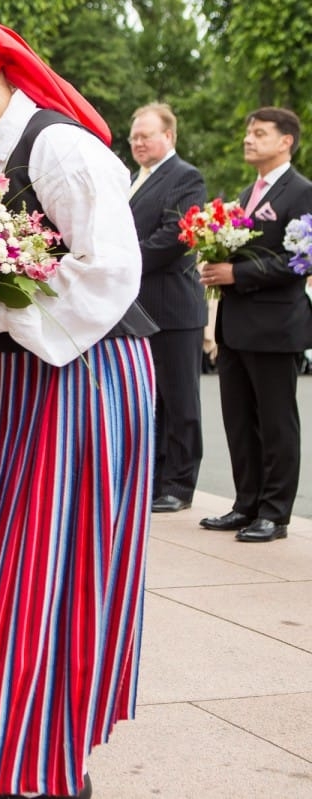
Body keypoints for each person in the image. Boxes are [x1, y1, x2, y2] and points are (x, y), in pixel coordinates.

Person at [0, 5, 157, 797]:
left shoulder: (62, 150)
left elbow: (110, 273)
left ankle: (28, 767)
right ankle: (24, 760)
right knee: (8, 566)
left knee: (46, 570)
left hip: (85, 380)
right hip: (23, 381)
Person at [198, 106, 312, 543]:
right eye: (248, 132)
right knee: (239, 420)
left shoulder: (301, 192)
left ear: (285, 141)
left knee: (277, 422)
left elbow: (300, 260)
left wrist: (237, 274)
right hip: (235, 325)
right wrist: (216, 264)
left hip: (275, 326)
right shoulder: (248, 192)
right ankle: (246, 504)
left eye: (260, 133)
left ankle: (275, 512)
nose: (249, 139)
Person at [126, 103, 208, 513]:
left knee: (180, 401)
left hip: (174, 309)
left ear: (169, 137)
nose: (138, 143)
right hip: (139, 310)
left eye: (146, 136)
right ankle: (155, 481)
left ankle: (179, 484)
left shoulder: (185, 177)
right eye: (134, 137)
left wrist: (117, 264)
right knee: (149, 401)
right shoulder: (130, 179)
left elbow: (174, 236)